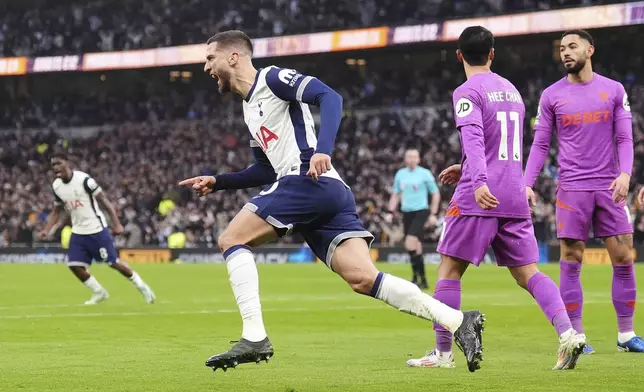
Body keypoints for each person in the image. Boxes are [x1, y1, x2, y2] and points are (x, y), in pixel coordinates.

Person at [179, 30, 485, 373]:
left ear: (233, 57)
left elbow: (330, 96)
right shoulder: (249, 109)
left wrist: (322, 149)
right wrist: (218, 181)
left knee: (231, 239)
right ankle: (459, 320)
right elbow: (264, 171)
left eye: (209, 58)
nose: (206, 66)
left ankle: (254, 336)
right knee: (364, 279)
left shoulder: (273, 78)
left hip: (307, 182)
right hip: (323, 191)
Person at [407, 26, 586, 371]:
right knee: (528, 273)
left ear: (459, 55)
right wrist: (467, 168)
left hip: (481, 194)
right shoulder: (512, 91)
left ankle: (443, 354)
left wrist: (476, 180)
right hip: (514, 192)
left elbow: (474, 138)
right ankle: (568, 334)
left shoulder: (466, 90)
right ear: (492, 54)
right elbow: (503, 145)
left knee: (448, 269)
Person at [524, 29, 642, 353]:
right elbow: (541, 144)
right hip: (572, 188)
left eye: (572, 46)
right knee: (571, 259)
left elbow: (625, 139)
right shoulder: (551, 96)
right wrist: (526, 183)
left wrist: (625, 174)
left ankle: (626, 335)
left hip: (609, 187)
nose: (565, 52)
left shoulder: (614, 91)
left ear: (590, 49)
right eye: (562, 48)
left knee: (623, 256)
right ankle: (575, 336)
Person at [40, 152, 156, 305]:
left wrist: (116, 223)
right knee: (74, 266)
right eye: (53, 165)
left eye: (58, 163)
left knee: (113, 263)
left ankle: (142, 286)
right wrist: (47, 229)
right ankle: (99, 292)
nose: (55, 167)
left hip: (96, 229)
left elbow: (105, 201)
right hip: (78, 231)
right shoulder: (57, 186)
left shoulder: (84, 180)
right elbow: (56, 210)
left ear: (67, 163)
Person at [388, 148, 440, 289]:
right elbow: (396, 193)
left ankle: (416, 278)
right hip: (407, 212)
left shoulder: (425, 174)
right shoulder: (401, 174)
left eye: (414, 156)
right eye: (409, 156)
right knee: (416, 248)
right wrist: (390, 211)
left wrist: (433, 213)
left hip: (421, 211)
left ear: (418, 159)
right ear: (405, 159)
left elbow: (435, 193)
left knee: (409, 243)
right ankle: (421, 280)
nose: (411, 159)